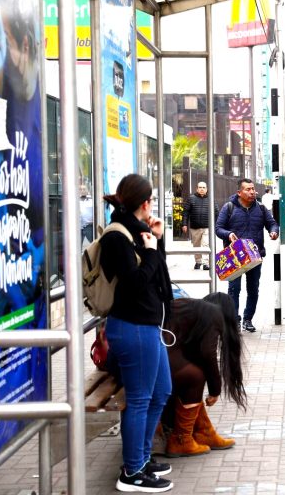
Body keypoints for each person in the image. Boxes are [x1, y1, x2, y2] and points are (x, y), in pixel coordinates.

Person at [100, 174, 175, 493]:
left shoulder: (140, 230)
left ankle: (141, 458)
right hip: (132, 327)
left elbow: (159, 275)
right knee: (140, 400)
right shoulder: (116, 236)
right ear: (145, 203)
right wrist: (152, 250)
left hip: (148, 327)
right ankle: (132, 471)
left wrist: (156, 242)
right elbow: (134, 284)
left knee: (161, 392)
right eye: (151, 202)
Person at [161, 293, 246, 457]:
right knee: (194, 376)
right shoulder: (213, 313)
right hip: (151, 353)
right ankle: (182, 440)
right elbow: (208, 353)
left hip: (142, 349)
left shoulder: (193, 309)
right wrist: (215, 389)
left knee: (189, 373)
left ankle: (204, 431)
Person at [215, 178, 279, 333]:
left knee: (253, 289)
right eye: (248, 189)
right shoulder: (228, 207)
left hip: (255, 256)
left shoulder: (261, 208)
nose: (252, 192)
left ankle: (248, 319)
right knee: (234, 289)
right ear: (239, 192)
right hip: (235, 257)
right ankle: (234, 321)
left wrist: (274, 231)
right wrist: (229, 234)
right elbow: (218, 228)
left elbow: (272, 223)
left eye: (253, 189)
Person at [181, 182, 219, 270]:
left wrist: (217, 225)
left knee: (206, 245)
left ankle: (206, 263)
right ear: (197, 189)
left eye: (204, 187)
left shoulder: (211, 199)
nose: (202, 189)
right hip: (194, 227)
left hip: (207, 227)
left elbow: (216, 212)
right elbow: (185, 212)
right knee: (196, 245)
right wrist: (184, 224)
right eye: (200, 187)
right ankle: (198, 262)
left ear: (207, 189)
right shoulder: (191, 199)